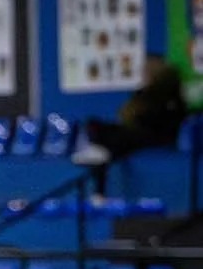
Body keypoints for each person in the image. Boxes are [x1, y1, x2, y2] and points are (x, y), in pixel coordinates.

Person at [72, 53, 189, 194]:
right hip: (136, 132)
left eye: (146, 71)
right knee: (94, 125)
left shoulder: (169, 97)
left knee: (118, 140)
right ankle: (100, 156)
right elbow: (127, 115)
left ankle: (100, 184)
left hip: (156, 137)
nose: (142, 75)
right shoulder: (142, 94)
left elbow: (155, 121)